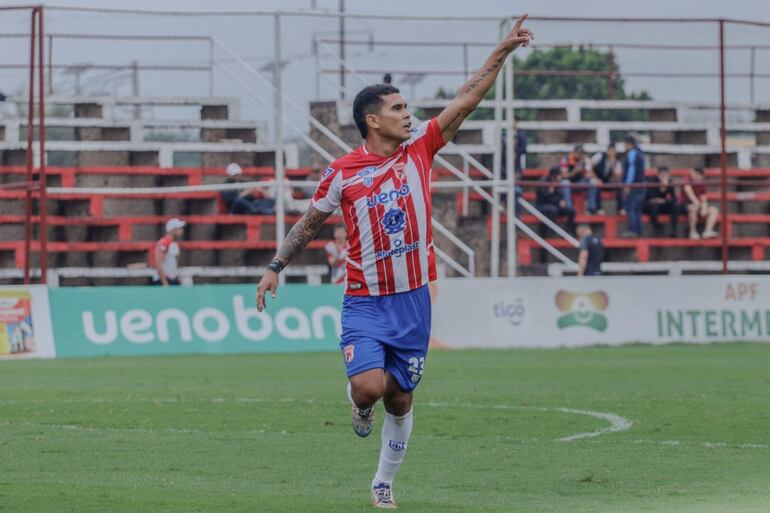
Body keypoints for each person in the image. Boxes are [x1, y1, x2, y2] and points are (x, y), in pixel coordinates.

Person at [256, 15, 533, 509]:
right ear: (372, 120)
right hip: (364, 300)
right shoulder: (341, 174)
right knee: (366, 389)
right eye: (398, 108)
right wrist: (275, 266)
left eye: (408, 107)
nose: (409, 114)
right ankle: (359, 407)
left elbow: (467, 97)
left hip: (413, 301)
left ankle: (383, 483)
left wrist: (502, 53)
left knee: (400, 398)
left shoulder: (421, 148)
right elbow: (310, 224)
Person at [560, 144, 601, 214]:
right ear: (574, 152)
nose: (579, 155)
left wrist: (593, 177)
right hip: (570, 184)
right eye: (578, 153)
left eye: (581, 153)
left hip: (581, 183)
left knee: (593, 182)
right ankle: (569, 209)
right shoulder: (566, 159)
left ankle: (591, 208)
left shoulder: (584, 159)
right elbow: (563, 176)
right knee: (564, 183)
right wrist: (574, 172)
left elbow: (590, 173)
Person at [681, 166, 719, 240]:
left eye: (699, 175)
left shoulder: (701, 183)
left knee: (714, 210)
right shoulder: (687, 179)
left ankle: (708, 231)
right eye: (696, 174)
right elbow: (688, 191)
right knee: (693, 208)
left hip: (698, 205)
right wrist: (697, 203)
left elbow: (703, 197)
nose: (697, 176)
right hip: (685, 205)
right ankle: (692, 232)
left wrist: (704, 207)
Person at [536, 166, 576, 236]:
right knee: (553, 210)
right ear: (554, 175)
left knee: (571, 211)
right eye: (559, 175)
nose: (561, 177)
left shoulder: (558, 184)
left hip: (555, 205)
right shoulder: (543, 182)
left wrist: (561, 201)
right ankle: (550, 234)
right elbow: (544, 198)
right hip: (542, 206)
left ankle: (568, 232)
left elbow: (559, 196)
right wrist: (550, 193)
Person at [643, 166, 679, 237]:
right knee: (654, 206)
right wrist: (662, 188)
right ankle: (657, 230)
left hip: (662, 203)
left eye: (666, 174)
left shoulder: (669, 182)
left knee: (674, 206)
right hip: (649, 206)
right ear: (658, 174)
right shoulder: (652, 181)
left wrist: (664, 200)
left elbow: (673, 198)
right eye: (663, 174)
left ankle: (673, 231)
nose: (664, 176)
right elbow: (651, 197)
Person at [622, 135, 645, 237]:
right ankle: (639, 231)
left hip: (634, 185)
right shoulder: (640, 154)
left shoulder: (632, 154)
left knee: (631, 208)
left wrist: (627, 185)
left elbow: (631, 170)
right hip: (640, 185)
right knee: (637, 209)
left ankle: (633, 230)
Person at [591, 143, 624, 214]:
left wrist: (612, 166)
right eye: (610, 150)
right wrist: (596, 178)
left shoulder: (617, 161)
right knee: (596, 184)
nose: (611, 152)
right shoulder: (600, 155)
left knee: (619, 185)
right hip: (596, 178)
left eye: (613, 150)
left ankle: (620, 208)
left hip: (607, 181)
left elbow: (617, 178)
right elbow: (590, 166)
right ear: (607, 150)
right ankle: (599, 208)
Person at [152, 218, 185, 286]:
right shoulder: (165, 243)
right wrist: (164, 282)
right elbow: (158, 263)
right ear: (173, 230)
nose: (181, 231)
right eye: (179, 229)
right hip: (163, 280)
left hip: (171, 279)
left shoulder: (173, 244)